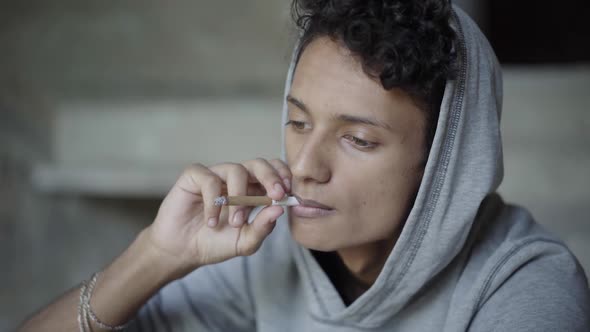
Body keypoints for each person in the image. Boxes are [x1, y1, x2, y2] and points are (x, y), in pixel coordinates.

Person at [19, 1, 590, 331]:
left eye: (358, 139)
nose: (306, 165)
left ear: (443, 164)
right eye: (297, 121)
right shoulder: (262, 256)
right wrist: (155, 256)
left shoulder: (525, 286)